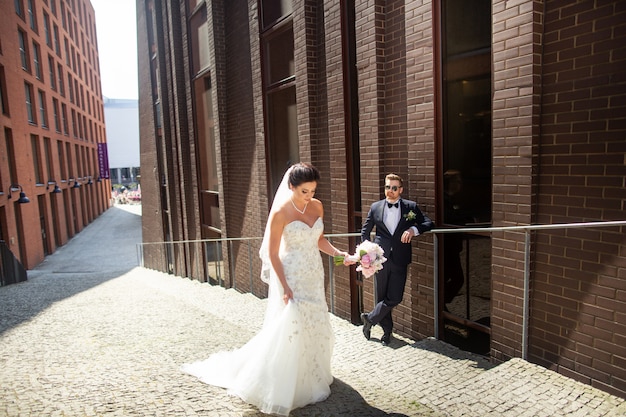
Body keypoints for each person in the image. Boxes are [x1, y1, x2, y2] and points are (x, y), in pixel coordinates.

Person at [182, 163, 351, 416]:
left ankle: (314, 373)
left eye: (313, 190)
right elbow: (272, 253)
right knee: (292, 326)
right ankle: (287, 380)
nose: (309, 196)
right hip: (292, 276)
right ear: (291, 187)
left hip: (314, 275)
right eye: (304, 191)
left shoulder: (317, 206)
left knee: (315, 323)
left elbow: (319, 240)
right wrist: (284, 286)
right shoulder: (281, 213)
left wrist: (341, 256)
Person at [360, 173, 434, 346]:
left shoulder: (410, 207)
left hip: (400, 258)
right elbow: (365, 232)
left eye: (394, 188)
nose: (390, 191)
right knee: (382, 296)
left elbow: (429, 223)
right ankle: (387, 333)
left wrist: (413, 229)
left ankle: (369, 318)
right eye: (387, 187)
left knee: (395, 297)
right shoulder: (376, 207)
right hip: (380, 259)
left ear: (400, 190)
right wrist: (366, 255)